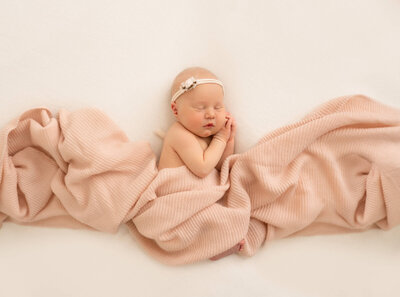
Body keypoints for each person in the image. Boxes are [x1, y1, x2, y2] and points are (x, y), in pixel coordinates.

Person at [157, 66, 244, 259]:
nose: (211, 114)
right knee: (208, 217)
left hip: (199, 199)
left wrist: (228, 141)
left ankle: (214, 243)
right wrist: (220, 140)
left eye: (218, 107)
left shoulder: (207, 137)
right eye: (200, 108)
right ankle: (212, 246)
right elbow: (203, 168)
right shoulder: (179, 133)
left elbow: (220, 167)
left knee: (225, 213)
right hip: (177, 203)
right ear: (176, 110)